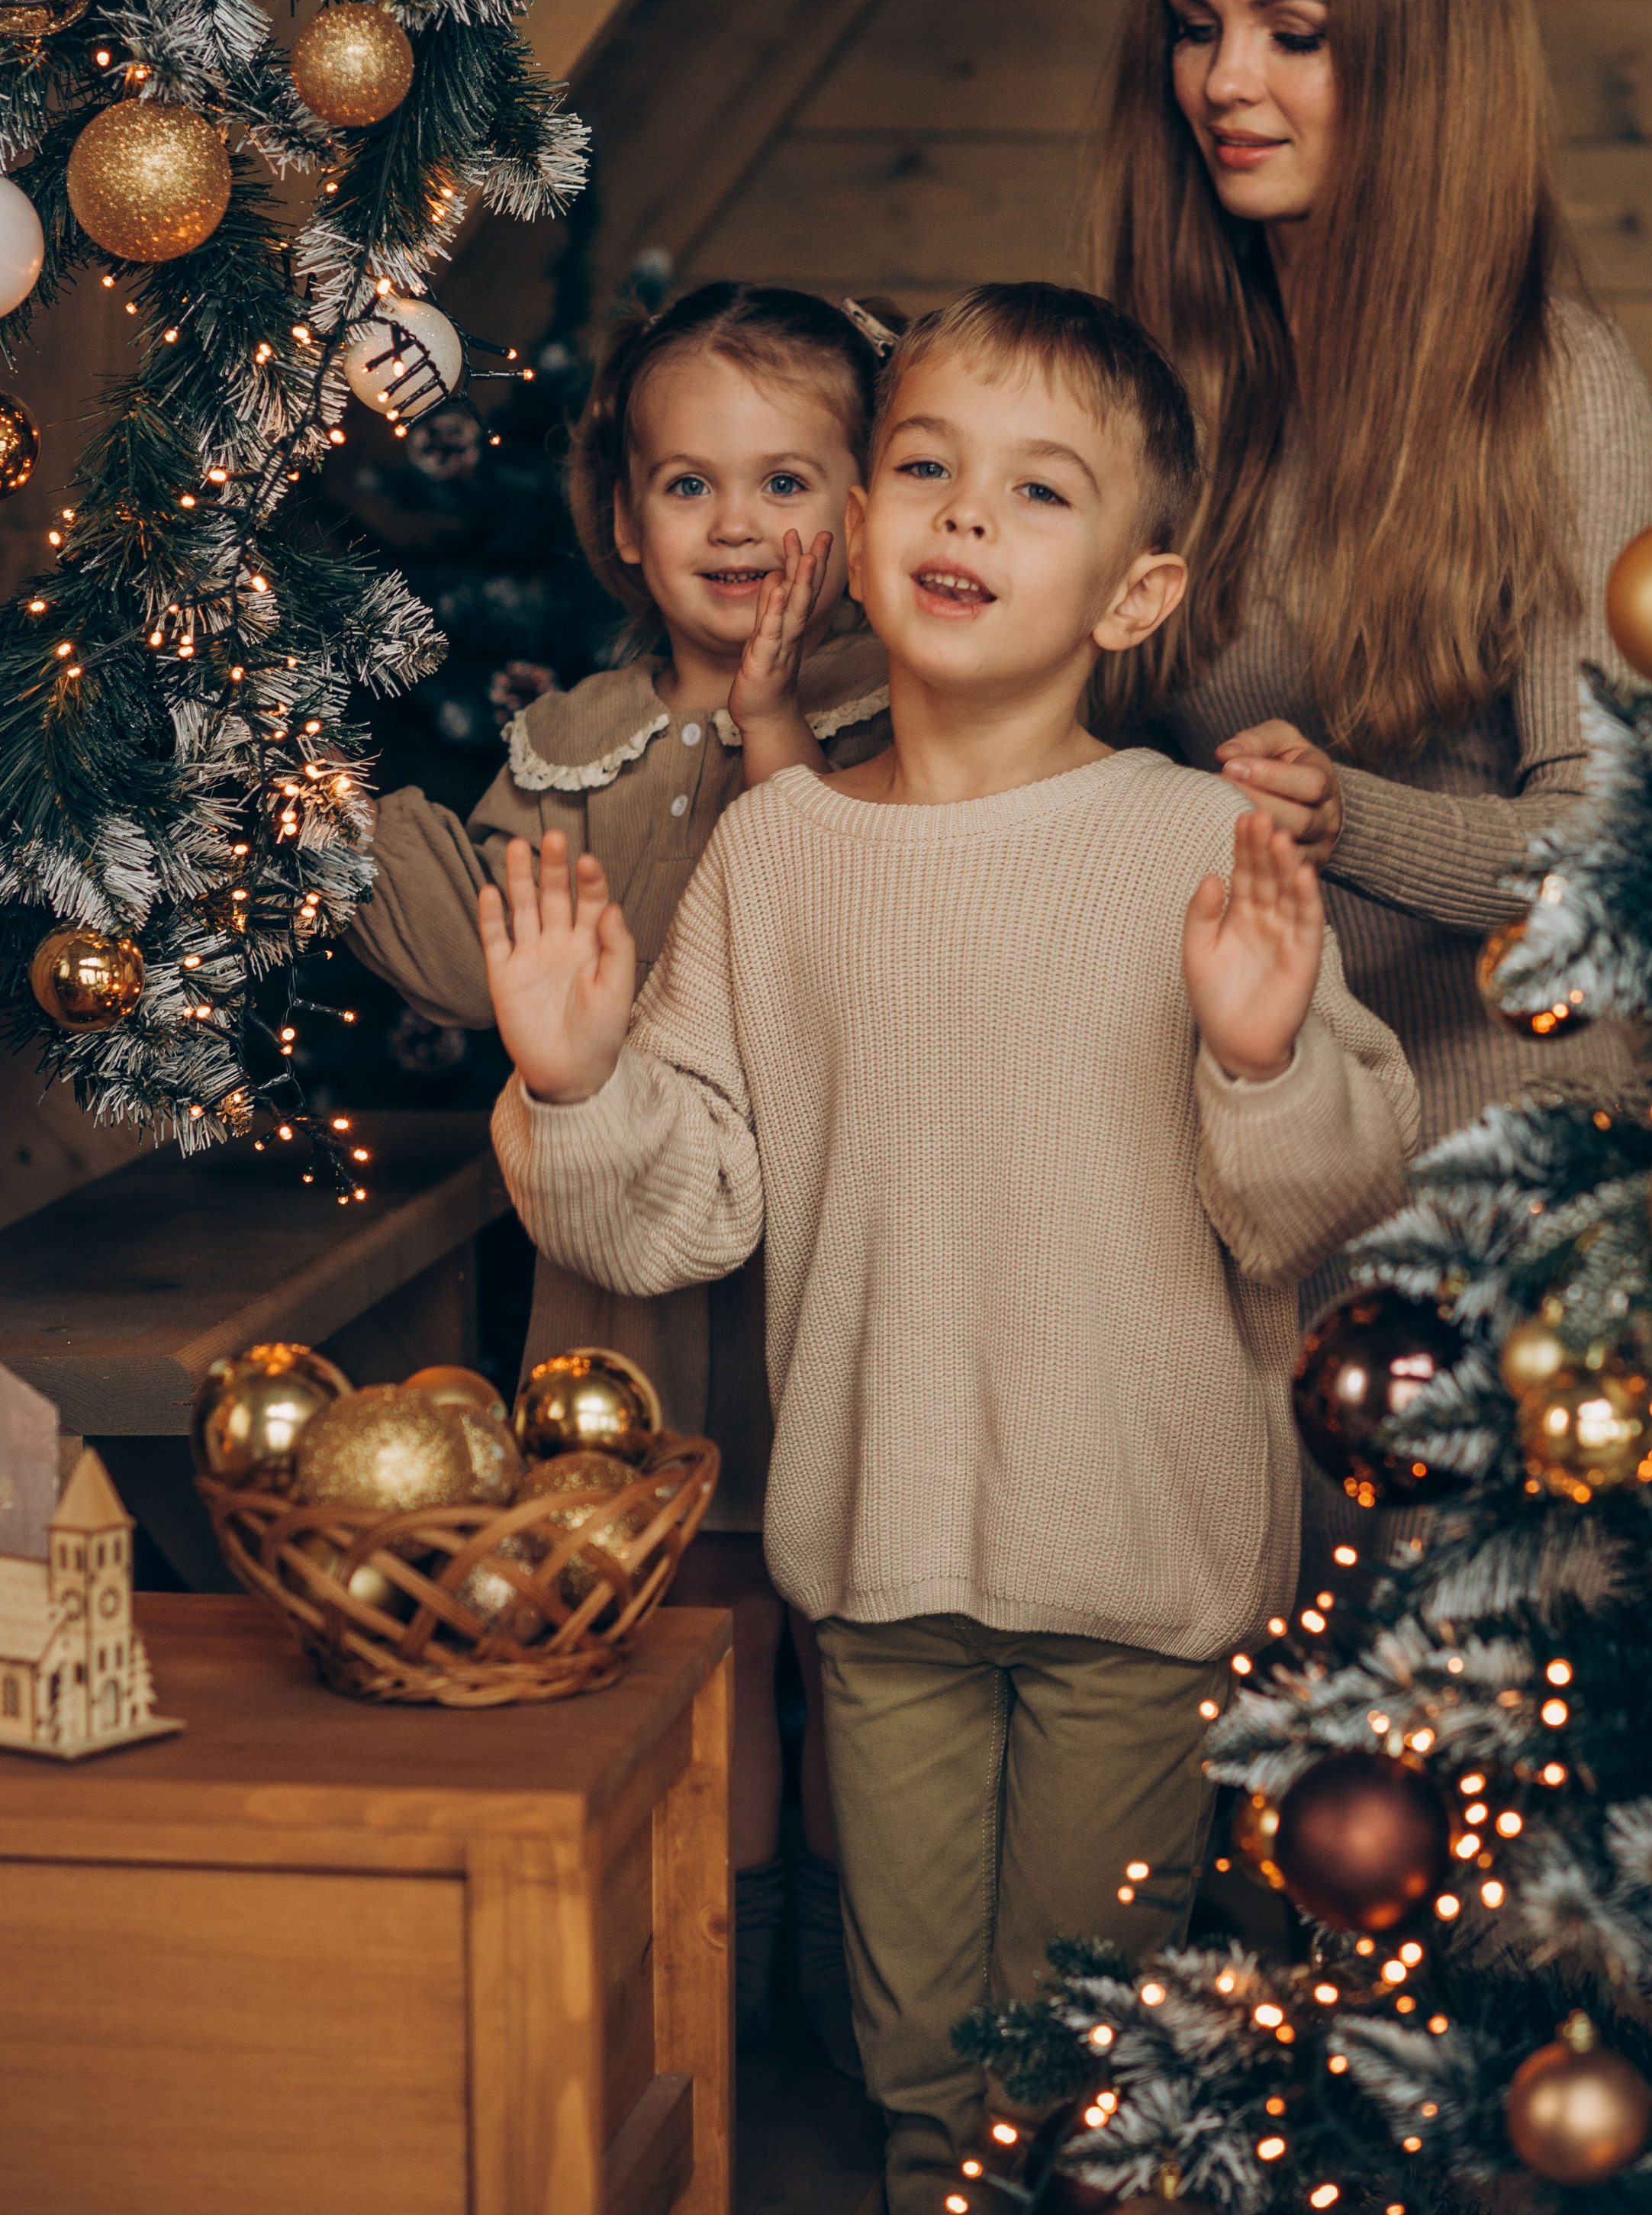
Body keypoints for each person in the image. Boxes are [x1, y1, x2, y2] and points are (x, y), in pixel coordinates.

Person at [481, 281, 1419, 2215]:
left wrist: (1259, 1058)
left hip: (1135, 1559)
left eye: (1036, 490)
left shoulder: (1193, 846)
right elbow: (691, 1204)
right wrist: (577, 1085)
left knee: (1086, 2055)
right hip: (881, 1551)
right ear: (856, 532)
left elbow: (1309, 1200)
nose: (966, 513)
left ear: (1135, 596)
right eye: (925, 467)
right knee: (917, 2065)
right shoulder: (776, 856)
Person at [346, 280, 898, 2068]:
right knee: (694, 1629)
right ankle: (715, 1997)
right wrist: (322, 816)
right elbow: (487, 958)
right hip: (636, 1278)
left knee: (862, 1646)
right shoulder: (578, 737)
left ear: (870, 505)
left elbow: (848, 944)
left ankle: (866, 1994)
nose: (736, 526)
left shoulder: (902, 710)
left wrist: (775, 726)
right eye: (688, 484)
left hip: (837, 1268)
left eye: (786, 481)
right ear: (622, 519)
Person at [1094, 0, 1652, 1361]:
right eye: (1194, 27)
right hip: (1245, 1161)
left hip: (1503, 1186)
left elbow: (1612, 856)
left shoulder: (1555, 389)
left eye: (1294, 33)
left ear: (1420, 58)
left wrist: (1354, 821)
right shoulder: (1164, 380)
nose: (1224, 80)